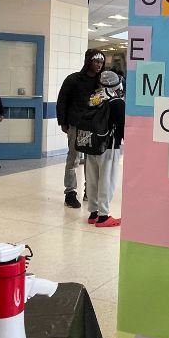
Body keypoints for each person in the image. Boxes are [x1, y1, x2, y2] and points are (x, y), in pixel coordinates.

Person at [57, 49, 105, 208]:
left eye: (101, 62)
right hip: (76, 124)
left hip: (94, 126)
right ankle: (70, 192)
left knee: (91, 160)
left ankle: (89, 191)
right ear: (88, 61)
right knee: (74, 158)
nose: (99, 64)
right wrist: (63, 122)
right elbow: (62, 101)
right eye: (96, 61)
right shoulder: (73, 80)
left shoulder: (101, 82)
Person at [84, 70, 125, 228]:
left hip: (90, 144)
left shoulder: (93, 98)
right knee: (107, 179)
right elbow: (122, 126)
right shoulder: (117, 102)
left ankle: (93, 213)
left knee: (92, 178)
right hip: (108, 145)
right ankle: (103, 216)